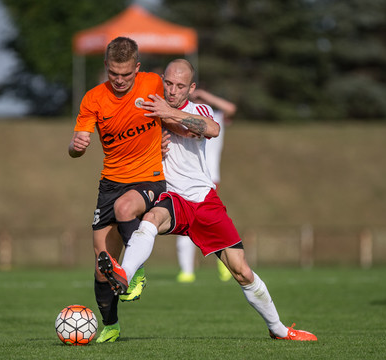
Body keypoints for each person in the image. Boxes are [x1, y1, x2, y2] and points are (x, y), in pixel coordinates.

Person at [97, 58, 318, 342]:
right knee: (150, 219)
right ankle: (125, 276)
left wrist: (168, 114)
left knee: (242, 271)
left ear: (191, 89)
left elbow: (211, 129)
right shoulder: (148, 108)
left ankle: (278, 329)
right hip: (172, 198)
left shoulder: (196, 109)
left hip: (204, 201)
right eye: (168, 83)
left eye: (180, 86)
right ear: (162, 80)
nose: (173, 90)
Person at [68, 36, 168, 343]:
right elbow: (77, 147)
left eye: (127, 74)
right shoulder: (93, 99)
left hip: (148, 178)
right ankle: (110, 326)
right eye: (114, 74)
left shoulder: (154, 84)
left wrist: (173, 136)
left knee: (127, 207)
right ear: (106, 67)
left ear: (137, 68)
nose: (121, 80)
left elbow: (180, 107)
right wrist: (75, 146)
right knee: (102, 267)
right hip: (110, 183)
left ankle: (135, 272)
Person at [176, 89, 236, 283]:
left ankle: (225, 260)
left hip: (209, 177)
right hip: (184, 176)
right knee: (186, 223)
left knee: (209, 222)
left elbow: (231, 108)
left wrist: (204, 96)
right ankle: (187, 271)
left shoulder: (214, 116)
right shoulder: (183, 116)